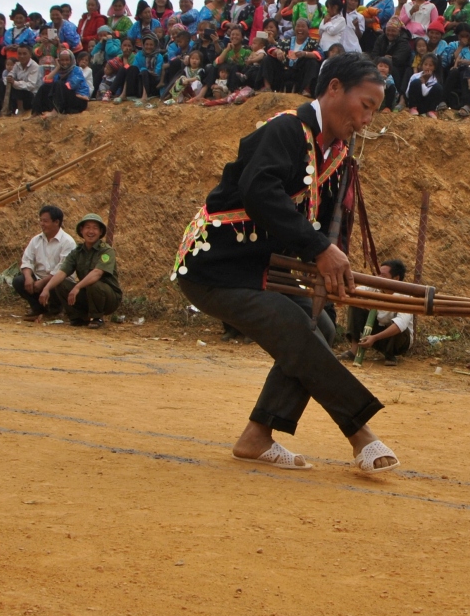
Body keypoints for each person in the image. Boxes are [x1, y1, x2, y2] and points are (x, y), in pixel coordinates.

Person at [172, 52, 400, 475]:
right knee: (294, 325)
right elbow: (261, 194)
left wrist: (333, 274)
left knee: (323, 323)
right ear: (334, 89)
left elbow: (334, 228)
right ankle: (359, 432)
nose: (369, 118)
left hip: (257, 269)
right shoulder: (285, 129)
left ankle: (257, 436)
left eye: (375, 110)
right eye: (365, 105)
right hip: (216, 266)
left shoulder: (336, 155)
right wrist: (318, 250)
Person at [41, 213, 123, 327]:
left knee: (94, 284)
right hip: (87, 294)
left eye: (95, 228)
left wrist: (77, 287)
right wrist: (47, 288)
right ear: (81, 230)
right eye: (88, 227)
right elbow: (62, 272)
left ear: (100, 232)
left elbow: (97, 273)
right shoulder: (77, 252)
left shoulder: (106, 251)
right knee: (61, 284)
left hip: (108, 298)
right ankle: (77, 317)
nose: (91, 231)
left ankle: (97, 318)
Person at [339, 260, 415, 367]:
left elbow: (400, 324)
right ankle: (354, 351)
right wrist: (360, 302)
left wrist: (374, 338)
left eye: (383, 275)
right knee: (355, 305)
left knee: (399, 327)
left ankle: (390, 355)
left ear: (396, 278)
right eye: (378, 274)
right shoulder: (375, 288)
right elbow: (356, 292)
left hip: (398, 343)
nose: (378, 277)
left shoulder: (405, 296)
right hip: (378, 337)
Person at [14, 204, 77, 320]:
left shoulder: (68, 242)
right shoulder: (36, 240)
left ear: (56, 222)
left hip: (57, 281)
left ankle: (55, 310)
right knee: (19, 281)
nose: (42, 224)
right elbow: (27, 260)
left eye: (45, 221)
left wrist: (44, 282)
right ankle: (38, 309)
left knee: (59, 284)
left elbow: (62, 269)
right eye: (41, 220)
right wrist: (28, 277)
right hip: (38, 280)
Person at [33, 49, 91, 114]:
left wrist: (59, 88)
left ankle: (55, 111)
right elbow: (46, 81)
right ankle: (36, 111)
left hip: (79, 99)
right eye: (62, 60)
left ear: (71, 60)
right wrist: (57, 68)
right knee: (45, 87)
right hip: (66, 100)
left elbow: (72, 84)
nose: (64, 62)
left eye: (67, 60)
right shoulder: (59, 72)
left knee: (58, 84)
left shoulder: (76, 70)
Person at [3, 44, 42, 115]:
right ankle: (5, 108)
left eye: (24, 54)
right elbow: (10, 75)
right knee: (1, 83)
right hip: (20, 91)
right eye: (19, 54)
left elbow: (31, 85)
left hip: (32, 95)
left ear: (30, 54)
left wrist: (14, 83)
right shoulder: (17, 65)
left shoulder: (35, 67)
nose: (22, 56)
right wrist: (9, 79)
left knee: (18, 88)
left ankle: (20, 110)